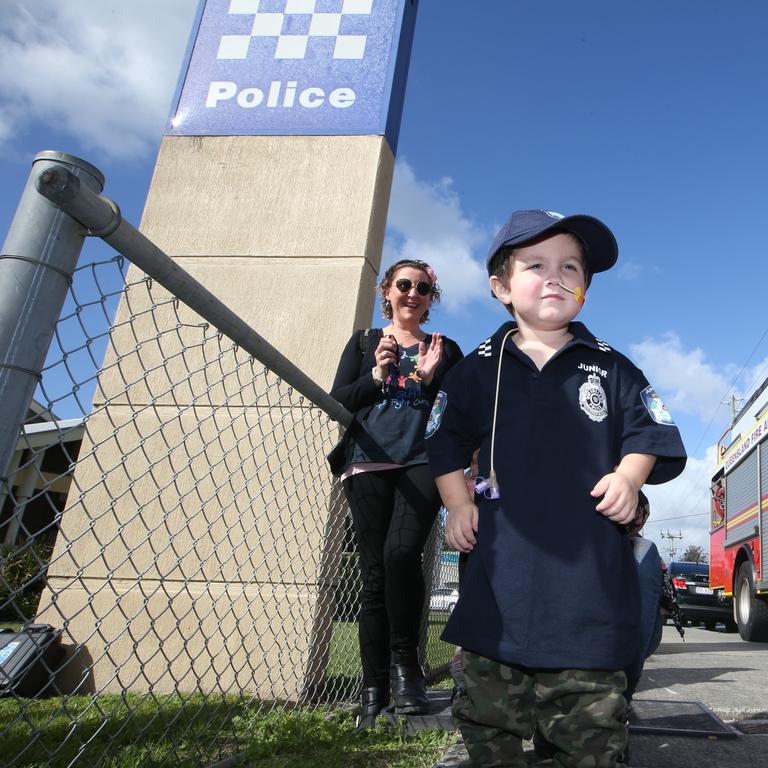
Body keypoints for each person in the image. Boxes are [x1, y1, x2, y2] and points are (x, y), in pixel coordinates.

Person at [424, 210, 687, 767]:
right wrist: (456, 502)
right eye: (536, 265)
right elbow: (443, 442)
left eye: (571, 267)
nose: (556, 276)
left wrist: (628, 476)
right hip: (498, 591)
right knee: (487, 728)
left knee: (590, 735)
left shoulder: (612, 367)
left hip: (588, 597)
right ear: (500, 287)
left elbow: (650, 432)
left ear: (585, 289)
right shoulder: (477, 370)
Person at [330, 258, 463, 728]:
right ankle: (374, 686)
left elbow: (461, 410)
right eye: (404, 284)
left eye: (423, 288)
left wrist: (432, 381)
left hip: (423, 462)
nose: (413, 293)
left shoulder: (445, 349)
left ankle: (407, 669)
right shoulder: (366, 342)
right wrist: (377, 377)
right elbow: (339, 400)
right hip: (367, 461)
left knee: (401, 554)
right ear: (387, 290)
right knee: (373, 575)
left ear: (431, 298)